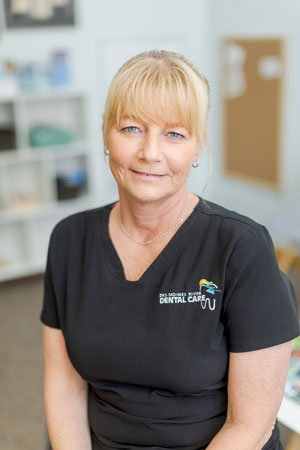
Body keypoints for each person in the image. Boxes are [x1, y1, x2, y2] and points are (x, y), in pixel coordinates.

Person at [40, 49, 300, 450]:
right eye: (130, 128)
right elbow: (65, 386)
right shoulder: (69, 241)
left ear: (197, 148)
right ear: (105, 133)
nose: (150, 152)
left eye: (174, 134)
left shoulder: (241, 248)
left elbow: (251, 424)